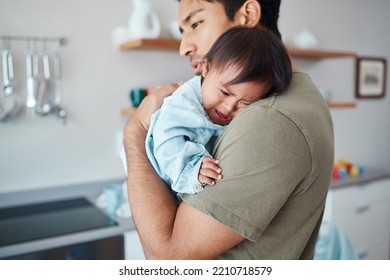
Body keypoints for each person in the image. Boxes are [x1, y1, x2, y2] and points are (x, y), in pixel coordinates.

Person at [123, 0, 334, 259]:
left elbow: (166, 259)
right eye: (182, 31)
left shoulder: (270, 118)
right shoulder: (294, 95)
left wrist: (135, 130)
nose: (184, 47)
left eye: (196, 23)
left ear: (248, 15)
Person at [145, 26, 292, 195]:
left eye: (246, 103)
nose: (229, 107)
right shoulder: (184, 102)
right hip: (157, 176)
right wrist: (192, 169)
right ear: (206, 68)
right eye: (224, 92)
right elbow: (167, 140)